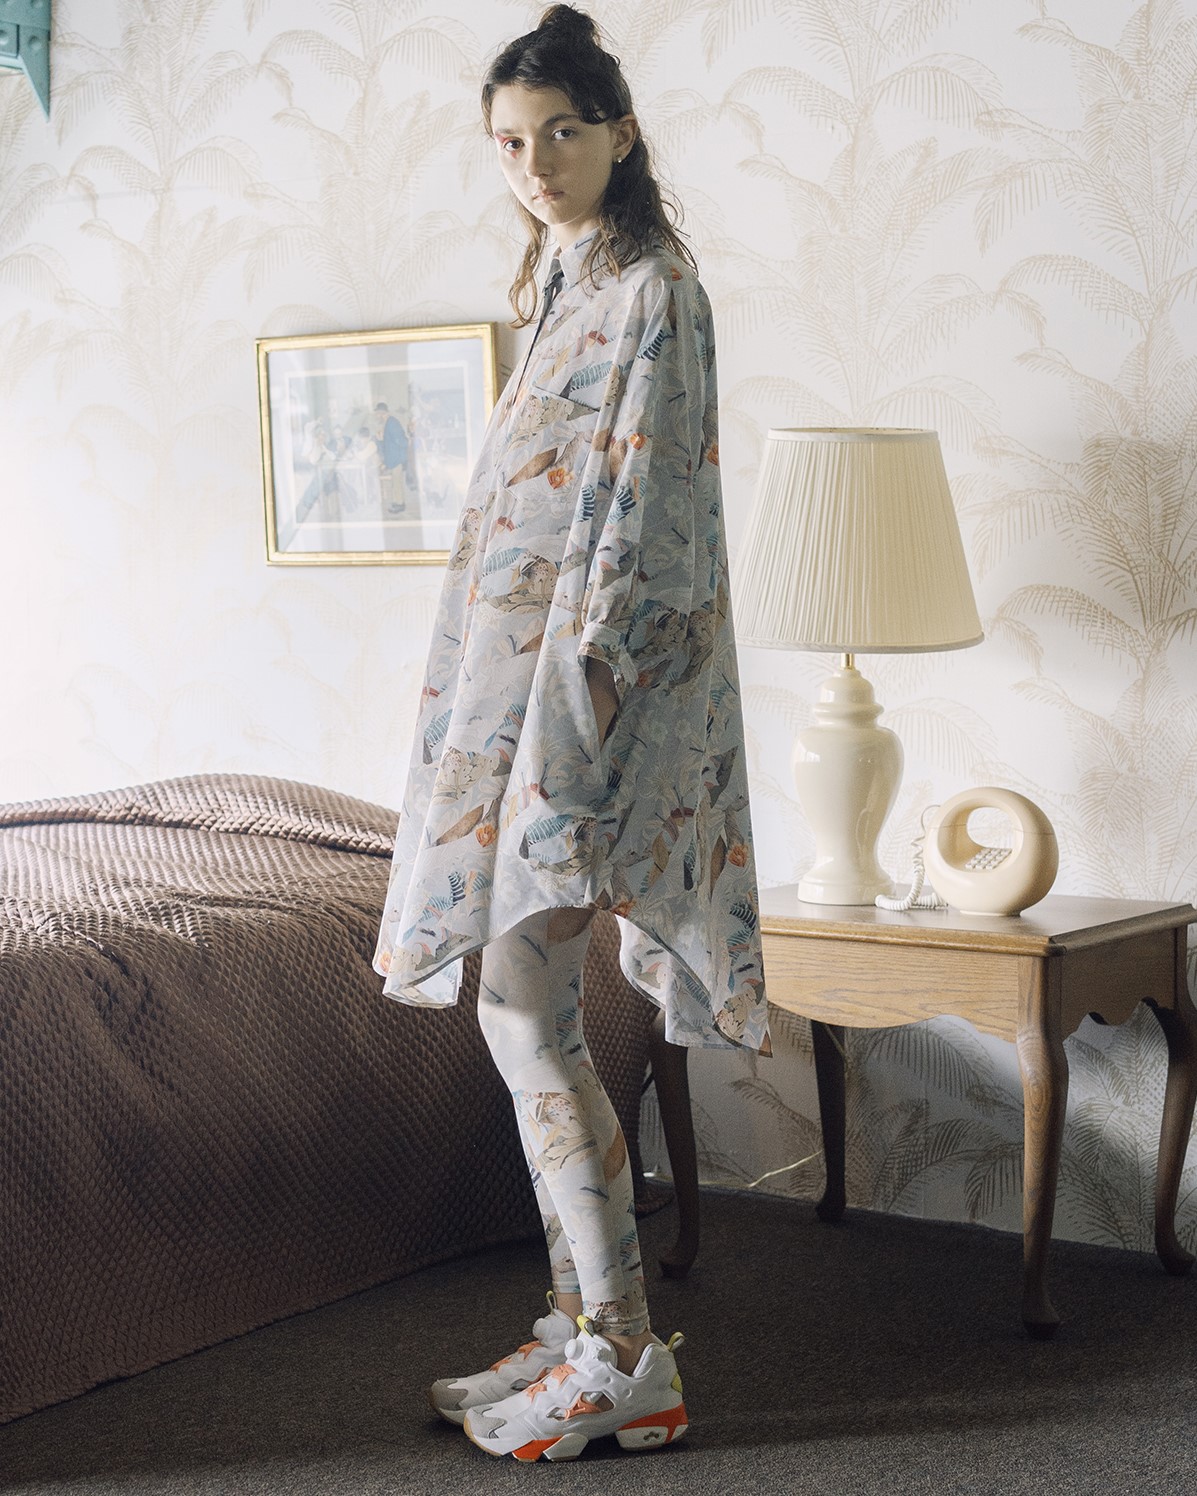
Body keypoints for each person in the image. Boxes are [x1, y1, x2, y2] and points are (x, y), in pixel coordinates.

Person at [373, 3, 768, 1463]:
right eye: (509, 143)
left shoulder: (656, 290)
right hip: (516, 683)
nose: (534, 164)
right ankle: (578, 1321)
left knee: (522, 1003)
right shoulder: (559, 280)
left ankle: (623, 1351)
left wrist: (585, 715)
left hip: (579, 699)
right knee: (515, 1001)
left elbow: (652, 527)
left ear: (620, 135)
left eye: (560, 134)